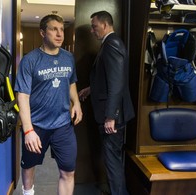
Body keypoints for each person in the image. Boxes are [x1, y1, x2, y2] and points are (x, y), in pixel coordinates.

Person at [14, 14, 83, 195]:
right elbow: (22, 96)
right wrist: (28, 131)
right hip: (36, 125)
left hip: (63, 125)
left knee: (68, 171)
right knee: (29, 166)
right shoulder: (30, 60)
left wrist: (76, 102)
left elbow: (71, 82)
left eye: (61, 29)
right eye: (54, 29)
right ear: (43, 32)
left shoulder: (68, 58)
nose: (60, 34)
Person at [78, 11, 135, 195]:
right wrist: (90, 89)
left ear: (104, 25)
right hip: (110, 113)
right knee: (112, 160)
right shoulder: (109, 44)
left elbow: (117, 83)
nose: (93, 31)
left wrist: (111, 116)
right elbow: (107, 78)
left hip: (112, 117)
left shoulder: (112, 44)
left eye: (94, 26)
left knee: (112, 162)